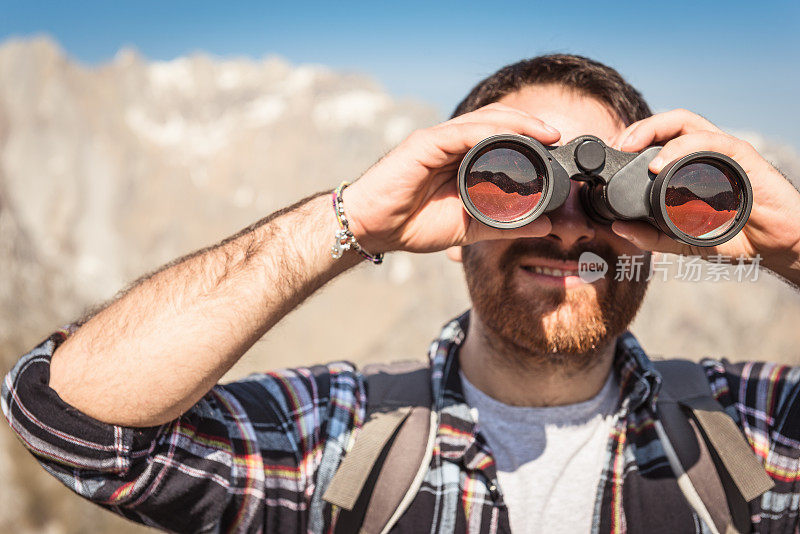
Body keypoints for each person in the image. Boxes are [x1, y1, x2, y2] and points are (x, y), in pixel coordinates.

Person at [3, 54, 800, 534]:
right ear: (456, 225)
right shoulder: (342, 440)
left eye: (603, 196)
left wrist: (793, 244)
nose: (564, 231)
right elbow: (71, 422)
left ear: (655, 228)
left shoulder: (749, 435)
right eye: (513, 183)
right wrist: (352, 222)